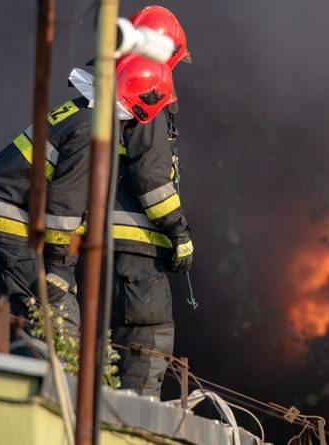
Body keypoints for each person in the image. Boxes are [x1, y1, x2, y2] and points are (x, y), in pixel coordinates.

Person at [0, 54, 175, 342]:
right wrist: (59, 269)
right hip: (2, 216)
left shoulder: (86, 109)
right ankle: (53, 370)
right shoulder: (94, 129)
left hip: (1, 209)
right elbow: (65, 206)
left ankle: (44, 363)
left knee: (46, 314)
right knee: (59, 318)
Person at [109, 5, 195, 397]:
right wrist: (179, 232)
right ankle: (132, 421)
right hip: (135, 246)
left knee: (112, 341)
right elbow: (152, 178)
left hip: (108, 242)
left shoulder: (112, 84)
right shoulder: (146, 95)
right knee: (148, 337)